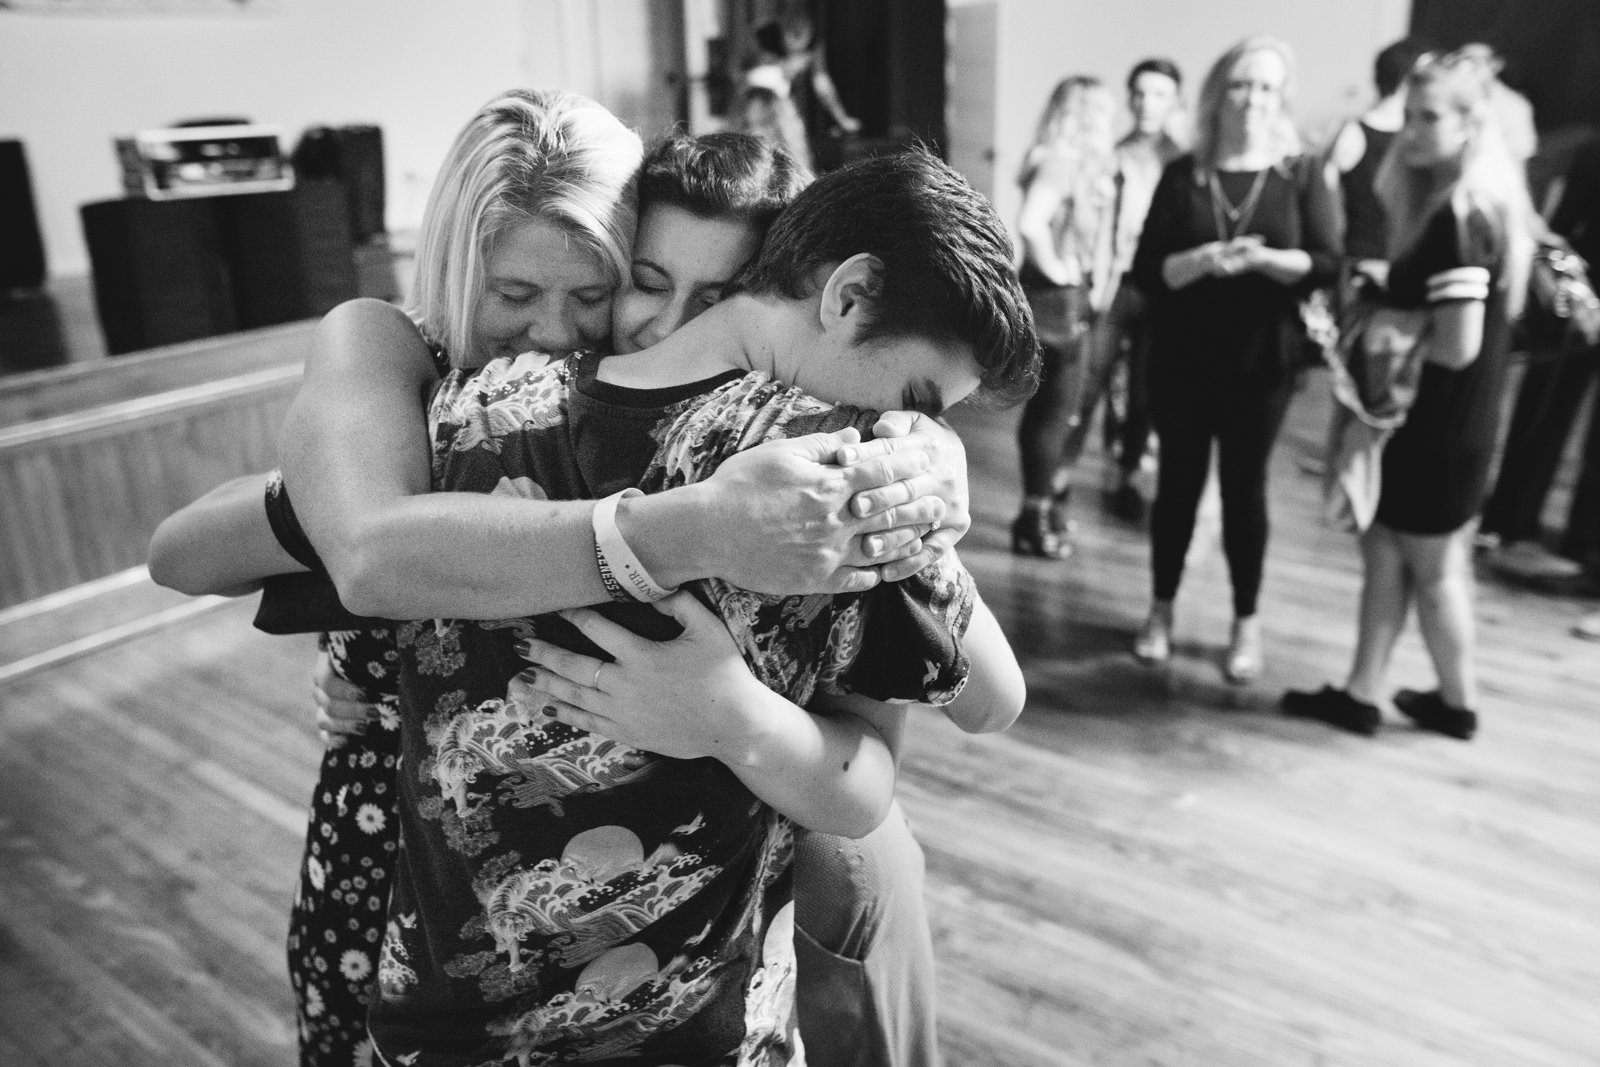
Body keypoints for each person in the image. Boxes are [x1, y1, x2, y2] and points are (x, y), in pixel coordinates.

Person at [150, 97, 974, 1066]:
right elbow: (205, 553)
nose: (549, 330)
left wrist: (921, 456)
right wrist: (349, 504)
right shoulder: (400, 359)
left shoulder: (673, 414)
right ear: (459, 265)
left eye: (591, 294)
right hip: (409, 864)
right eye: (512, 291)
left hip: (678, 904)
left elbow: (979, 692)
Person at [346, 147, 1034, 1063]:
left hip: (445, 1027)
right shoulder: (844, 483)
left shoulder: (467, 407)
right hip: (690, 1030)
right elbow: (994, 703)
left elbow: (292, 538)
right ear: (848, 295)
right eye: (918, 399)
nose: (917, 430)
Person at [1283, 48, 1538, 739]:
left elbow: (1455, 343)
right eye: (1411, 114)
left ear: (1470, 123)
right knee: (1396, 556)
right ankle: (1369, 692)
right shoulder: (1475, 202)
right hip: (1443, 419)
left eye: (1430, 118)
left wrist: (1386, 322)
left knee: (1431, 565)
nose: (1413, 131)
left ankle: (1457, 703)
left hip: (1433, 421)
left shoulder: (1462, 213)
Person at [1126, 36, 1341, 682]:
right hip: (1183, 359)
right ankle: (1160, 610)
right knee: (1178, 491)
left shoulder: (1299, 173)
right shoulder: (1184, 172)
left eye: (1268, 87)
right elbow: (1145, 271)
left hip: (1261, 362)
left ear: (1282, 99)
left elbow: (1329, 263)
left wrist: (1271, 262)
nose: (1254, 99)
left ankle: (1245, 622)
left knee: (1245, 492)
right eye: (1243, 85)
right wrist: (1195, 264)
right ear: (1220, 94)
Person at [1009, 75, 1120, 557]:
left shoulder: (1065, 163)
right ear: (1086, 117)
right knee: (1056, 410)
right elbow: (1031, 223)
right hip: (1055, 297)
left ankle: (1041, 510)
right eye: (1104, 114)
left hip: (1055, 296)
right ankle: (1033, 517)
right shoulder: (1060, 163)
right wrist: (1061, 271)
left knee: (1057, 408)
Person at [1102, 57, 1188, 522]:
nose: (1145, 103)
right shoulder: (1112, 152)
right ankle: (1093, 473)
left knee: (1145, 391)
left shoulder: (1184, 161)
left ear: (1176, 101)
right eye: (1138, 92)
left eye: (1158, 94)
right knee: (1094, 383)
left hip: (1163, 290)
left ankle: (1133, 475)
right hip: (1116, 285)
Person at [1324, 36, 1437, 289]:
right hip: (1365, 267)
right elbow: (1327, 211)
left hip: (1403, 267)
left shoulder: (1351, 130)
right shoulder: (1354, 132)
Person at [743, 6, 861, 173]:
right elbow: (741, 75)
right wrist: (779, 70)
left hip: (783, 104)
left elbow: (822, 83)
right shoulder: (763, 34)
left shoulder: (814, 43)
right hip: (758, 103)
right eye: (793, 35)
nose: (796, 46)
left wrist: (841, 118)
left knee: (796, 153)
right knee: (758, 154)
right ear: (783, 29)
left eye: (802, 36)